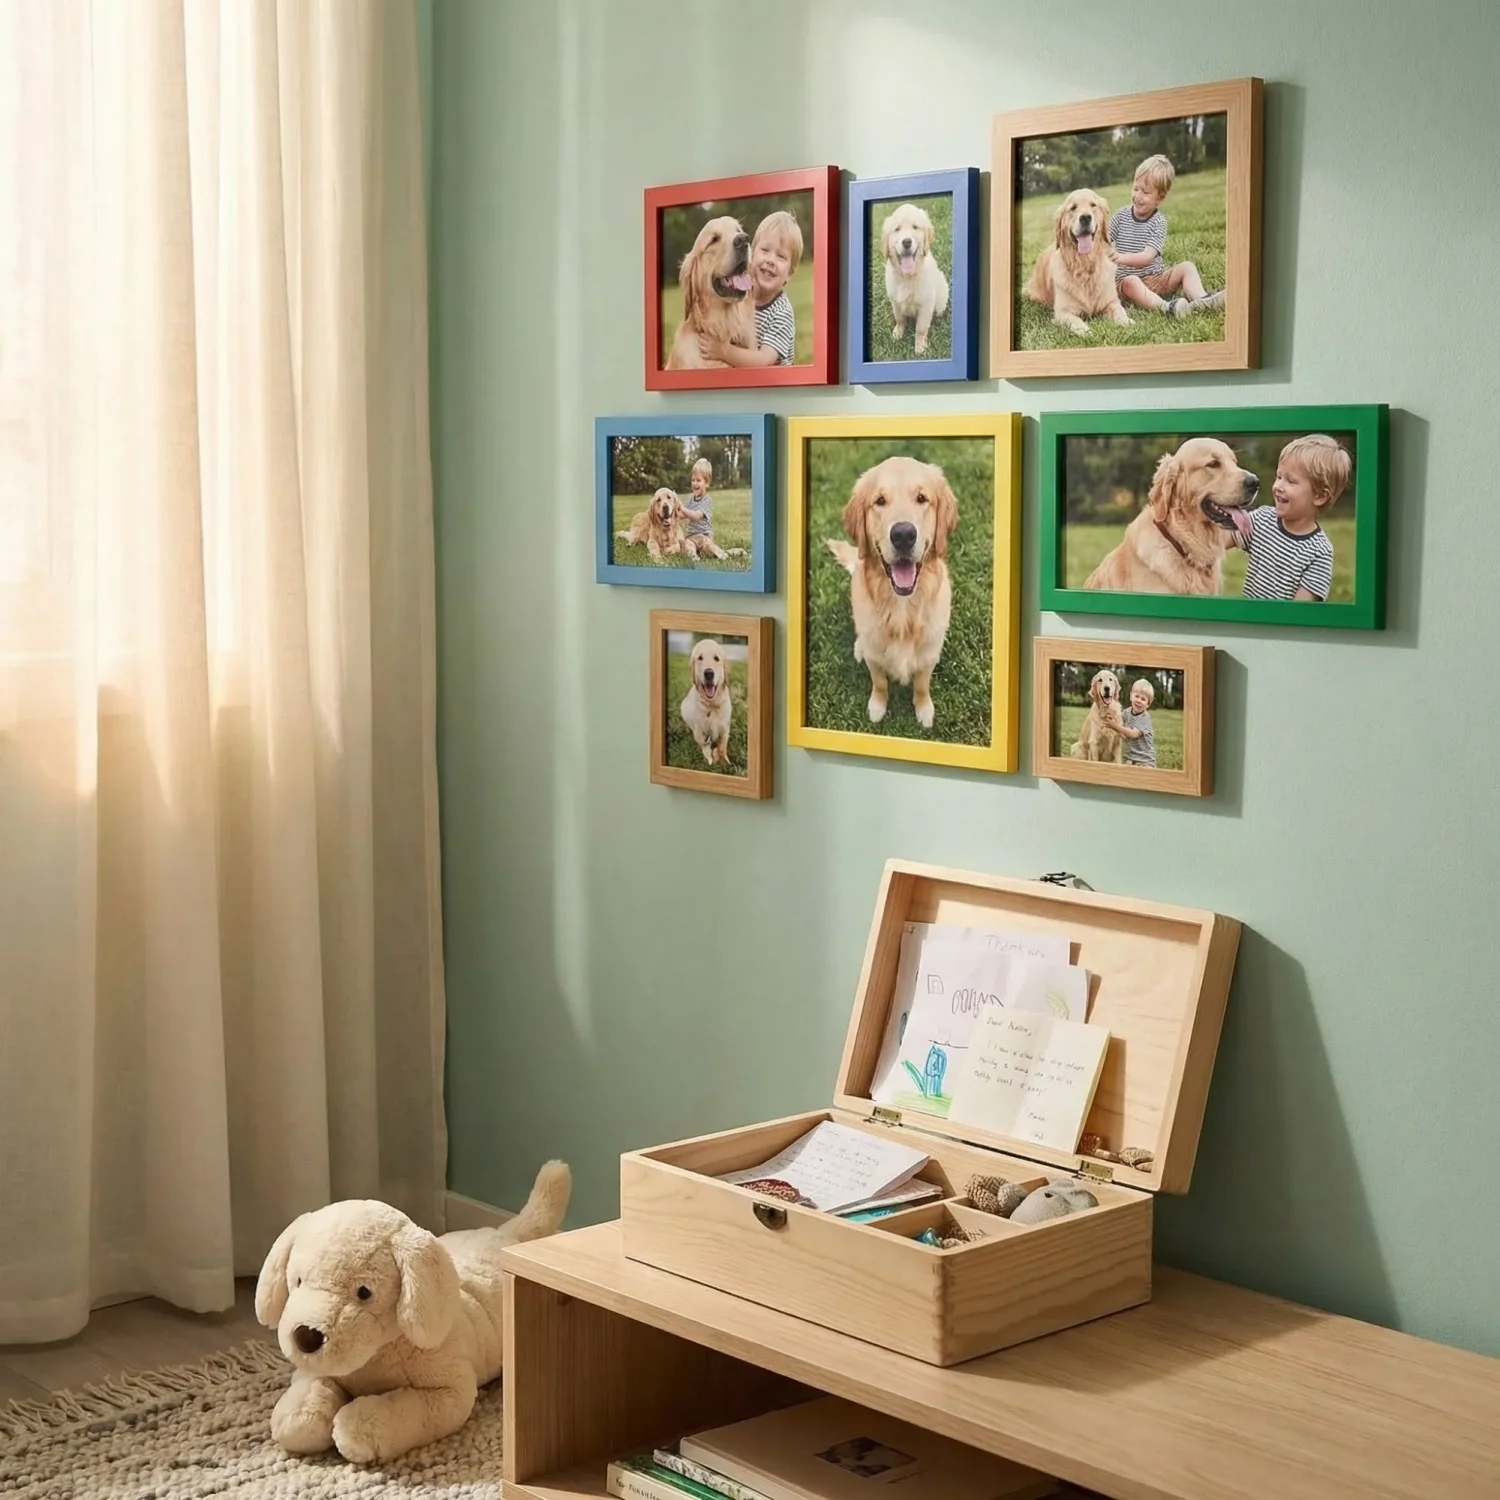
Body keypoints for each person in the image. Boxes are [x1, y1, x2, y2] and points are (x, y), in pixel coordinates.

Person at [1235, 435, 1351, 601]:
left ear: (1320, 496)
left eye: (1290, 481)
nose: (1278, 486)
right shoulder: (1262, 519)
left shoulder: (1319, 553)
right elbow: (1218, 540)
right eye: (1278, 477)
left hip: (1282, 619)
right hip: (1247, 616)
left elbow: (1300, 611)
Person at [1108, 154, 1225, 319]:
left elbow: (1147, 257)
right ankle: (1167, 308)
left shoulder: (1158, 221)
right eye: (1135, 189)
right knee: (1131, 281)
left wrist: (1120, 257)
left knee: (1187, 267)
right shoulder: (1120, 216)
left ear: (1160, 198)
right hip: (1125, 283)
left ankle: (1202, 300)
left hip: (1156, 278)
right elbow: (1103, 240)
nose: (1138, 196)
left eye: (1145, 192)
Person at [698, 209, 801, 367]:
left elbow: (763, 361)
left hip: (774, 381)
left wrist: (722, 351)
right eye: (765, 250)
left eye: (781, 256)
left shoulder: (781, 314)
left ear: (789, 274)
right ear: (751, 254)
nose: (770, 260)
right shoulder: (742, 288)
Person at [677, 457, 729, 560]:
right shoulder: (690, 498)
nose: (694, 483)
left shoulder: (707, 499)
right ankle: (694, 557)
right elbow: (683, 515)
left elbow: (696, 516)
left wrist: (682, 508)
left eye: (698, 480)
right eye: (693, 480)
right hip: (691, 536)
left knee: (707, 546)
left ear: (707, 483)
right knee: (686, 544)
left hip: (703, 536)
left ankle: (721, 554)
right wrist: (675, 511)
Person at [1117, 679, 1157, 767]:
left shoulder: (1145, 717)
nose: (1139, 700)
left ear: (1148, 704)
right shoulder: (1126, 713)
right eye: (1136, 696)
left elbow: (1133, 734)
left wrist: (1113, 725)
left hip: (1146, 759)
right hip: (1130, 758)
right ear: (1131, 696)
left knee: (1143, 773)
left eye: (1143, 699)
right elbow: (1118, 722)